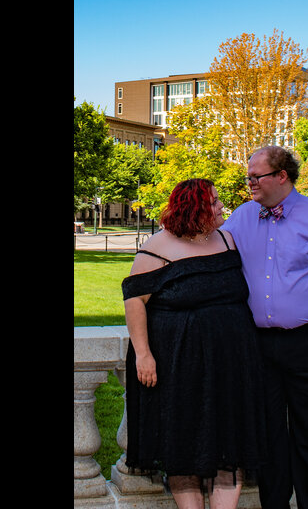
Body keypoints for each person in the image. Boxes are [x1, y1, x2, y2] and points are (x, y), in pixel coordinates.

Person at [220, 146, 308, 509]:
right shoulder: (241, 217)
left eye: (256, 177)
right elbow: (209, 250)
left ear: (282, 176)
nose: (249, 183)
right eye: (248, 176)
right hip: (258, 346)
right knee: (266, 436)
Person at [121, 178, 265, 509]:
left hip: (232, 363)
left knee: (231, 443)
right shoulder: (157, 247)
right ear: (194, 208)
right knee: (183, 443)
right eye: (213, 202)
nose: (220, 207)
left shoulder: (227, 240)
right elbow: (134, 301)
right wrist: (143, 354)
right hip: (178, 364)